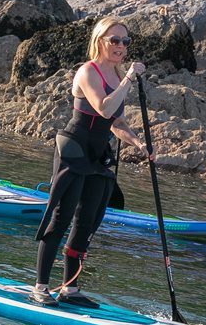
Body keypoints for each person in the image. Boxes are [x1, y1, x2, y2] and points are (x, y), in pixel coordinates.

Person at [29, 17, 153, 308]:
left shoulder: (117, 73)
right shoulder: (88, 71)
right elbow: (104, 106)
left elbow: (116, 121)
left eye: (126, 41)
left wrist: (138, 142)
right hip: (74, 148)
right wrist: (127, 80)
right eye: (115, 40)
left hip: (98, 154)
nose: (121, 46)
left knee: (88, 222)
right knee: (61, 217)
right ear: (100, 41)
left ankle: (69, 289)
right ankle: (41, 286)